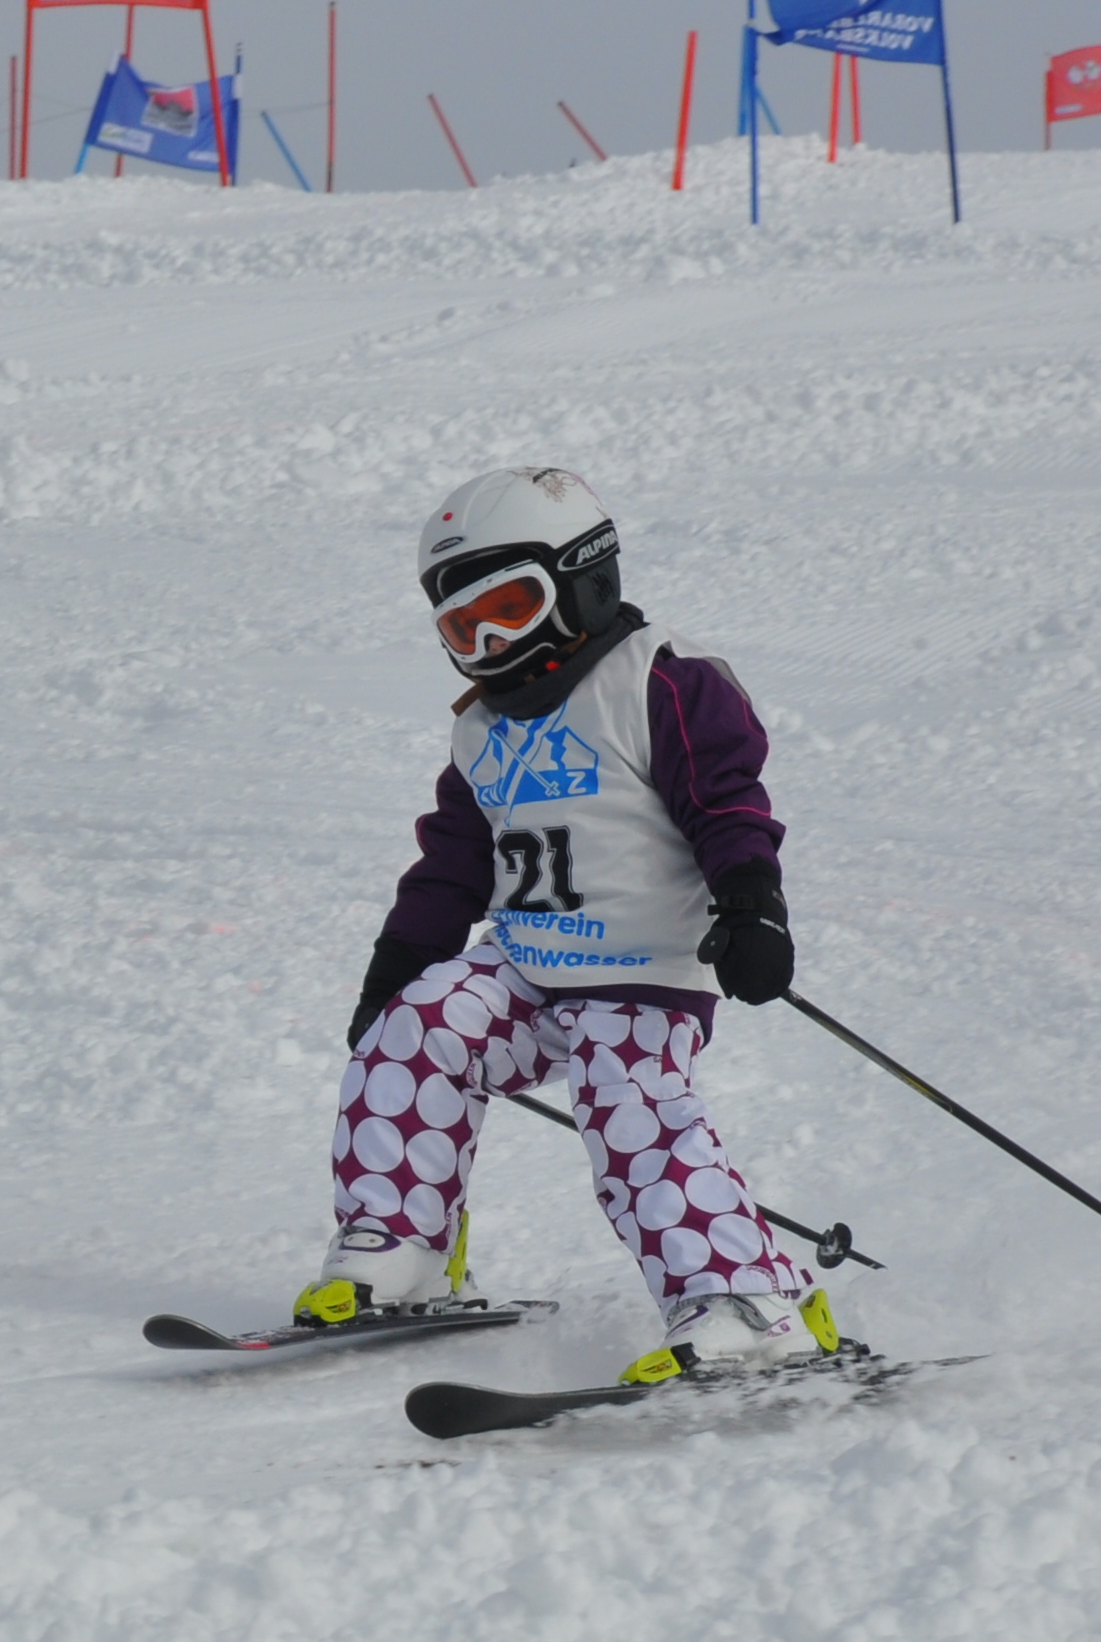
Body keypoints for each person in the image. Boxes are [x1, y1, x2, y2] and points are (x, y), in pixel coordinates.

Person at [298, 467, 838, 1383]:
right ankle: (402, 1246)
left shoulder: (660, 680)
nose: (491, 643)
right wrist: (398, 969)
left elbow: (727, 806)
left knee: (629, 1106)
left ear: (584, 577)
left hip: (641, 971)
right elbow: (452, 864)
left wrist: (752, 908)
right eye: (465, 628)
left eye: (511, 608)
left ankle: (749, 1301)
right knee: (417, 1029)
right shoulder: (481, 727)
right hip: (527, 964)